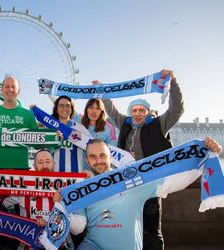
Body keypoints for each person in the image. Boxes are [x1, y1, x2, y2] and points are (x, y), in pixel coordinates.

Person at [55, 138, 221, 250]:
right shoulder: (82, 186)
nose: (98, 161)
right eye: (93, 157)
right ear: (87, 160)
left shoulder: (132, 178)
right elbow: (78, 228)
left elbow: (172, 180)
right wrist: (63, 207)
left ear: (110, 156)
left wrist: (204, 153)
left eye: (102, 156)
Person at [97, 69, 184, 249]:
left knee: (151, 229)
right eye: (134, 110)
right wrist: (101, 90)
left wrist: (173, 83)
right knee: (129, 227)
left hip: (151, 183)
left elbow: (177, 109)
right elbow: (111, 109)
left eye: (141, 110)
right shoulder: (125, 124)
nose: (137, 114)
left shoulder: (159, 124)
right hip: (127, 184)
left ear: (147, 112)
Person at [3, 149, 74, 250]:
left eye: (48, 162)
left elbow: (75, 221)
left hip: (58, 245)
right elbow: (0, 203)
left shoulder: (66, 187)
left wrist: (88, 177)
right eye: (40, 162)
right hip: (28, 244)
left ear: (53, 164)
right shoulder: (22, 187)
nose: (44, 166)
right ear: (34, 165)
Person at [0, 76, 37, 171]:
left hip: (21, 168)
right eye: (7, 86)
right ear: (1, 90)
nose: (10, 89)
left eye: (13, 87)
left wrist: (54, 136)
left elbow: (37, 143)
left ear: (18, 91)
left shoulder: (28, 115)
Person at [50, 96, 85, 173]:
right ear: (56, 109)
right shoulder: (50, 127)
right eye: (61, 105)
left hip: (75, 176)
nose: (64, 108)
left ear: (72, 109)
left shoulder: (80, 128)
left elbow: (90, 145)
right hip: (54, 175)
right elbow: (45, 150)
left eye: (67, 106)